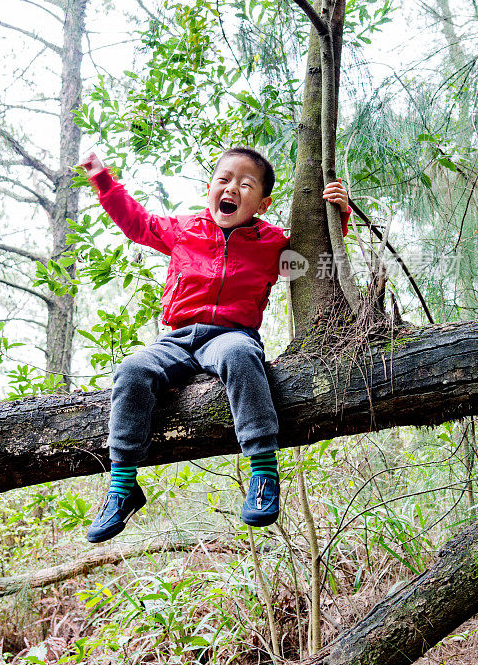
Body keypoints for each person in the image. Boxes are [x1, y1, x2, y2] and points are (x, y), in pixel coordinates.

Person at [77, 146, 350, 543]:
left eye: (245, 183)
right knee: (133, 370)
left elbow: (315, 257)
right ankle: (123, 486)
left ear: (264, 202)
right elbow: (135, 224)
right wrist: (103, 178)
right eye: (224, 180)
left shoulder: (271, 243)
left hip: (230, 335)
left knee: (241, 356)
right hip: (178, 338)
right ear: (210, 187)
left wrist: (338, 217)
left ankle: (263, 471)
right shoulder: (185, 230)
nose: (232, 188)